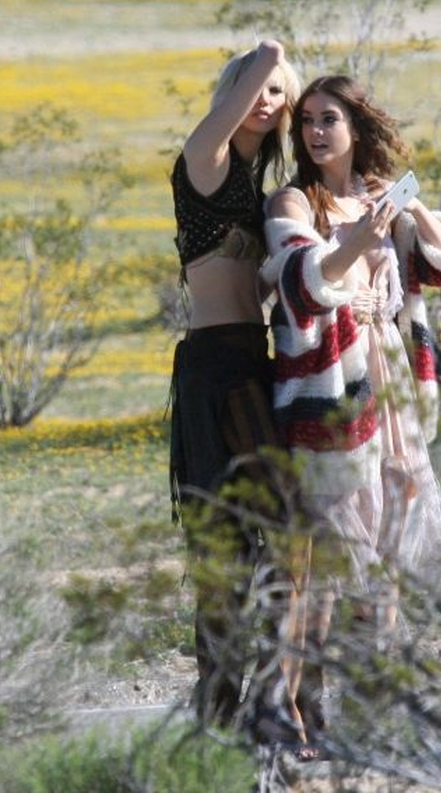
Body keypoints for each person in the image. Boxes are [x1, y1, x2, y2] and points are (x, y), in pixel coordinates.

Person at [258, 73, 441, 745]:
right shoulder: (293, 200)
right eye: (306, 122)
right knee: (328, 561)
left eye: (329, 119)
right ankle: (304, 710)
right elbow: (304, 278)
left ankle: (372, 717)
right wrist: (361, 234)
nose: (315, 132)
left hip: (392, 395)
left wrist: (406, 212)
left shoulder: (379, 196)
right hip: (330, 393)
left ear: (356, 128)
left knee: (384, 555)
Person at [167, 38, 302, 740]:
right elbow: (240, 92)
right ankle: (218, 709)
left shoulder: (261, 183)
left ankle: (269, 699)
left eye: (278, 91)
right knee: (223, 543)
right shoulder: (206, 162)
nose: (265, 99)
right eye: (254, 86)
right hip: (214, 367)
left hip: (257, 360)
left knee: (279, 535)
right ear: (230, 90)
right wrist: (270, 53)